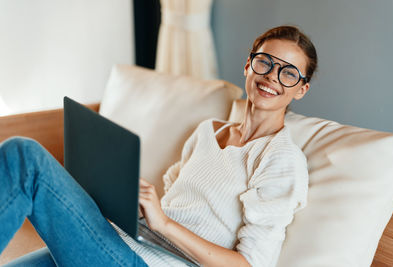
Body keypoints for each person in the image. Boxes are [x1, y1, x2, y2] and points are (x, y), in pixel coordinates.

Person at [0, 25, 317, 267]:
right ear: (249, 65)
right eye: (266, 62)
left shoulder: (281, 159)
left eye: (288, 72)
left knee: (24, 158)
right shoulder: (207, 132)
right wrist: (135, 203)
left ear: (301, 89)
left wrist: (162, 223)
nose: (273, 77)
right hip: (125, 241)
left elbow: (249, 264)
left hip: (149, 263)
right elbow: (175, 204)